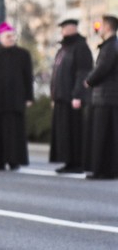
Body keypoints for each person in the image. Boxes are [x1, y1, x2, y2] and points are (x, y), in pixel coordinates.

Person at [0, 22, 34, 171]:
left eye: (12, 36)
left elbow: (28, 77)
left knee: (15, 131)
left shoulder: (23, 54)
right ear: (1, 37)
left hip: (16, 99)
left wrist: (29, 97)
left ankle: (14, 160)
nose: (11, 39)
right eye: (8, 36)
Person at [49, 18, 93, 174]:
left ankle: (77, 162)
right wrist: (53, 96)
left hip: (72, 98)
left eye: (65, 27)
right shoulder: (64, 48)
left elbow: (83, 73)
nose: (62, 30)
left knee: (74, 131)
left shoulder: (80, 47)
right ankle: (68, 161)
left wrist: (78, 95)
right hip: (61, 97)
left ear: (72, 28)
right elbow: (56, 74)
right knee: (64, 132)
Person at [83, 14, 118, 180]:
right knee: (110, 135)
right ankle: (109, 169)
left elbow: (102, 68)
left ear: (108, 27)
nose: (98, 28)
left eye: (101, 25)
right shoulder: (112, 45)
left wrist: (89, 81)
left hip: (105, 97)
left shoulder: (110, 46)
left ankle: (101, 170)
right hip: (110, 97)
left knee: (102, 135)